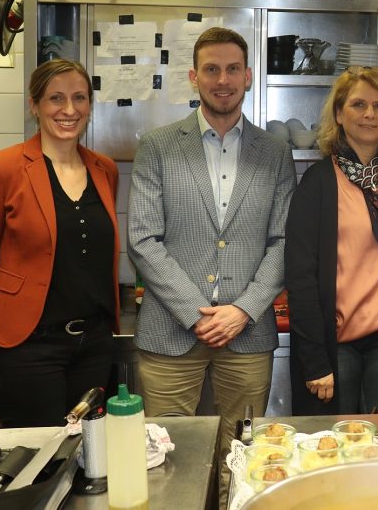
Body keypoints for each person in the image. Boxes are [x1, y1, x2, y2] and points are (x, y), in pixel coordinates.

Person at [128, 27, 296, 492]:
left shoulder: (275, 153)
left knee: (241, 457)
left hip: (248, 334)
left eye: (232, 69)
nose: (222, 79)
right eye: (212, 69)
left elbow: (285, 240)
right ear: (194, 77)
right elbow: (143, 239)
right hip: (170, 331)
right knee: (165, 459)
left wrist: (242, 311)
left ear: (247, 77)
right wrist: (196, 314)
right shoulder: (159, 146)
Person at [0, 59, 119, 427]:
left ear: (90, 106)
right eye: (55, 98)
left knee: (86, 460)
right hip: (25, 350)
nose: (69, 109)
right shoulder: (2, 169)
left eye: (79, 98)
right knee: (39, 463)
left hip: (91, 346)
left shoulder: (104, 170)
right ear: (34, 105)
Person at [286, 66, 378, 415]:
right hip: (338, 341)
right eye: (358, 105)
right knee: (340, 448)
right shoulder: (318, 182)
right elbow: (301, 276)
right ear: (338, 113)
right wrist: (315, 360)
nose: (369, 115)